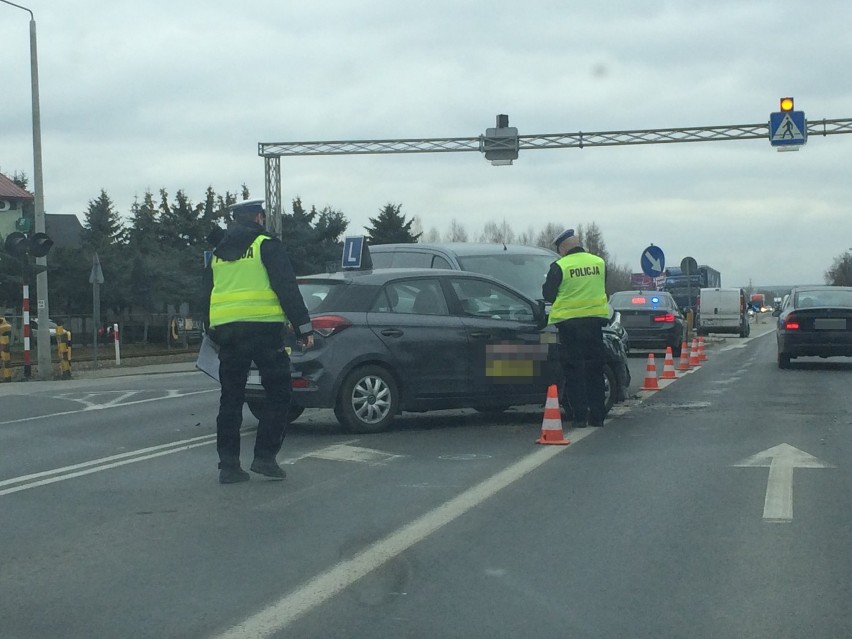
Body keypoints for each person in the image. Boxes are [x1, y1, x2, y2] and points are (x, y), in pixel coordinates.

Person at [202, 199, 314, 484]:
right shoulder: (267, 245)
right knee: (278, 393)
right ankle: (265, 458)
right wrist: (303, 327)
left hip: (228, 333)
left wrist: (209, 330)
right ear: (258, 218)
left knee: (231, 399)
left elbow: (205, 292)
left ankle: (228, 466)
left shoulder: (218, 252)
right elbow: (286, 287)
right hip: (264, 331)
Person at [542, 228, 609, 428]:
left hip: (569, 327)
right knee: (595, 370)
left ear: (563, 248)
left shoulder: (560, 266)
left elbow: (548, 295)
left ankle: (580, 417)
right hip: (595, 324)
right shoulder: (599, 263)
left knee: (574, 371)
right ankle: (598, 416)